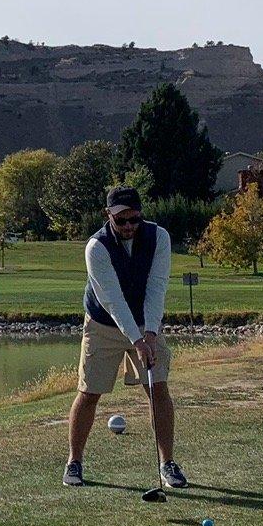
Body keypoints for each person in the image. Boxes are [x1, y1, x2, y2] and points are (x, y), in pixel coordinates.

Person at [63, 185, 189, 500]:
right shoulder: (96, 247)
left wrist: (148, 334)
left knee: (158, 388)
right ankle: (74, 462)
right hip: (103, 324)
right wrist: (136, 337)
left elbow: (157, 286)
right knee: (89, 393)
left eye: (134, 218)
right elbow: (113, 300)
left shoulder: (159, 237)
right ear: (109, 217)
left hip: (147, 322)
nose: (129, 226)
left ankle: (167, 464)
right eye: (121, 220)